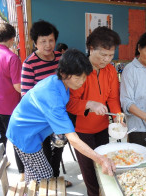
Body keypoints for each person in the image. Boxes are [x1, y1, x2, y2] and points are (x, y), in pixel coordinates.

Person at [6, 49, 115, 184]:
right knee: (45, 174)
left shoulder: (58, 81)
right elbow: (73, 139)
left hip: (29, 129)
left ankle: (28, 192)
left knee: (33, 169)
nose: (81, 82)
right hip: (25, 134)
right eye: (77, 78)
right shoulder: (53, 96)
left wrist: (90, 104)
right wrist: (100, 159)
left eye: (84, 77)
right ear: (63, 73)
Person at [66, 27, 121, 196]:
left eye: (110, 55)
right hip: (81, 129)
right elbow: (70, 103)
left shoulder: (111, 71)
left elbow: (112, 98)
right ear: (90, 48)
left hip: (103, 125)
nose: (106, 59)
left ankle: (105, 194)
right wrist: (90, 104)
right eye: (103, 54)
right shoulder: (80, 70)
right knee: (88, 165)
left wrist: (118, 116)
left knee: (104, 161)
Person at [20, 20, 72, 186]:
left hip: (59, 114)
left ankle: (55, 179)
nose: (48, 45)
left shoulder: (61, 58)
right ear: (35, 43)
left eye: (51, 40)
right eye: (43, 41)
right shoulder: (29, 64)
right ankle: (46, 184)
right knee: (44, 153)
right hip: (41, 119)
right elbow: (26, 95)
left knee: (58, 148)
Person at [0, 22, 22, 168]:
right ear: (12, 38)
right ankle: (22, 170)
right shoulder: (12, 58)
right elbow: (19, 86)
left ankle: (2, 162)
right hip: (9, 107)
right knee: (17, 139)